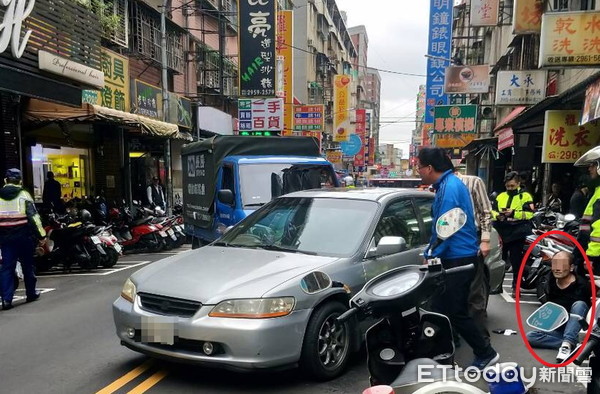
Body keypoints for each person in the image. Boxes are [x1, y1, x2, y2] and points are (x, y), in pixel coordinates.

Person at [417, 148, 499, 370]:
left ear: (430, 168)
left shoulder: (450, 187)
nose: (418, 171)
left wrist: (431, 255)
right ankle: (440, 352)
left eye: (419, 166)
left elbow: (446, 227)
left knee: (456, 311)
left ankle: (485, 352)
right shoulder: (447, 184)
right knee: (438, 308)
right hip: (457, 256)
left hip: (458, 259)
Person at [526, 251, 590, 362]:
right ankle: (571, 344)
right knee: (530, 337)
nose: (557, 269)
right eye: (555, 265)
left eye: (562, 265)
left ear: (571, 268)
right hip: (558, 327)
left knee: (579, 304)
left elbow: (586, 313)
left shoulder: (582, 285)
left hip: (576, 327)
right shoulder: (550, 280)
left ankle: (566, 345)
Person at [455, 171, 492, 343]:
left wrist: (485, 240)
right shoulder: (440, 187)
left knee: (474, 293)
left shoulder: (473, 182)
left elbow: (485, 212)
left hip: (472, 239)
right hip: (451, 242)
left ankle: (481, 341)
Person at [0, 168, 46, 310]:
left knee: (7, 268)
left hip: (5, 238)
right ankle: (31, 293)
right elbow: (34, 217)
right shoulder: (24, 195)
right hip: (23, 236)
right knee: (27, 265)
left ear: (6, 180)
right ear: (19, 181)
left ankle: (7, 300)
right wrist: (41, 235)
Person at [492, 171, 535, 297]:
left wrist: (513, 213)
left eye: (512, 186)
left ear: (518, 184)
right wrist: (498, 216)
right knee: (500, 260)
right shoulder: (500, 197)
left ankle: (516, 287)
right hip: (502, 231)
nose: (510, 188)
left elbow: (530, 214)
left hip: (517, 232)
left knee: (516, 261)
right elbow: (492, 211)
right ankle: (497, 285)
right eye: (508, 186)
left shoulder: (526, 196)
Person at [574, 146, 600, 274]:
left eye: (593, 165)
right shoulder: (596, 191)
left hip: (596, 258)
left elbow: (598, 230)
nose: (589, 169)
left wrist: (591, 257)